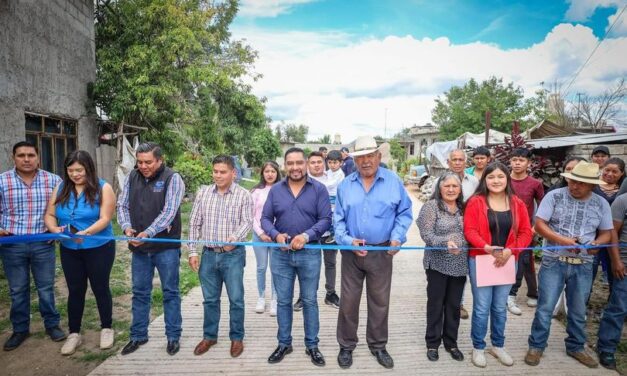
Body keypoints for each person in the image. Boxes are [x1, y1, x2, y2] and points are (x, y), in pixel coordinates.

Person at [335, 136, 413, 370]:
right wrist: (348, 240)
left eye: (371, 156)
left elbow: (405, 213)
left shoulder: (393, 181)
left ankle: (378, 345)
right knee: (348, 302)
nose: (366, 161)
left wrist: (397, 237)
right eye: (361, 157)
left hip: (382, 252)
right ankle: (346, 346)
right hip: (352, 253)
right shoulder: (345, 185)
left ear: (379, 157)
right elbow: (337, 220)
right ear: (355, 160)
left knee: (380, 301)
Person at [525, 161, 613, 369]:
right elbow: (539, 224)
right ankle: (536, 345)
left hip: (584, 263)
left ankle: (576, 346)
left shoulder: (601, 204)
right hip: (553, 260)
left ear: (592, 185)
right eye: (573, 181)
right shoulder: (554, 196)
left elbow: (607, 232)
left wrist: (597, 244)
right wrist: (562, 240)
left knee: (578, 308)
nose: (575, 186)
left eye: (581, 183)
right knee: (545, 307)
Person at [261, 147, 331, 367]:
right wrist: (275, 235)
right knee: (283, 301)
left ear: (306, 164)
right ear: (285, 165)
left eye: (299, 163)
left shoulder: (319, 189)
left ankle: (312, 345)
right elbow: (264, 219)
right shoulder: (275, 190)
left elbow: (326, 220)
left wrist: (306, 235)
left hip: (309, 253)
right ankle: (284, 343)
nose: (295, 167)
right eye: (290, 163)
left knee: (310, 301)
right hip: (281, 255)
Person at [44, 150, 116, 355]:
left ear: (88, 169)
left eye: (79, 170)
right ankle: (74, 333)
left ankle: (106, 327)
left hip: (98, 248)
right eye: (70, 170)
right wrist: (53, 229)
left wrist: (86, 232)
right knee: (75, 290)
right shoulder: (60, 188)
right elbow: (49, 214)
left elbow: (105, 218)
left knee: (100, 287)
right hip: (69, 249)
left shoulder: (104, 188)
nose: (75, 174)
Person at [117, 142, 184, 356]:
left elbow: (169, 212)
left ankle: (173, 336)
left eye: (148, 162)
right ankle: (138, 336)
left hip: (166, 247)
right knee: (139, 293)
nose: (143, 166)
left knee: (170, 292)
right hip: (139, 248)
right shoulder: (131, 177)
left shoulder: (173, 178)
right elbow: (122, 205)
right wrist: (127, 228)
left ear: (160, 160)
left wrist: (147, 233)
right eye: (139, 161)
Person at [464, 162, 533, 368]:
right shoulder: (476, 202)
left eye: (500, 177)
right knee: (482, 307)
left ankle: (498, 345)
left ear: (507, 179)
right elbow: (470, 231)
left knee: (500, 308)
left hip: (507, 260)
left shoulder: (517, 203)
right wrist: (486, 247)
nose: (496, 181)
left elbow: (526, 232)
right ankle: (478, 347)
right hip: (481, 259)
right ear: (484, 179)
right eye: (491, 177)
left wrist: (510, 251)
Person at [0, 141, 66, 351]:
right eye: (21, 155)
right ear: (14, 158)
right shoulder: (2, 181)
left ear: (38, 157)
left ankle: (52, 325)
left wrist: (55, 230)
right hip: (12, 244)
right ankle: (20, 329)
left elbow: (62, 210)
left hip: (42, 243)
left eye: (30, 155)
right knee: (18, 290)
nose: (26, 159)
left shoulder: (53, 181)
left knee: (46, 288)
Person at [188, 155, 252, 358]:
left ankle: (236, 338)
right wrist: (192, 251)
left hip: (232, 255)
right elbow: (194, 223)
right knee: (210, 299)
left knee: (236, 299)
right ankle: (210, 336)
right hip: (208, 254)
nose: (218, 175)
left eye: (222, 172)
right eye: (215, 171)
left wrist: (235, 238)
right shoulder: (203, 193)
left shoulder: (243, 195)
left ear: (233, 173)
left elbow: (248, 222)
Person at [416, 172, 467, 363]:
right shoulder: (431, 207)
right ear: (439, 188)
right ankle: (432, 343)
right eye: (447, 186)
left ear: (460, 189)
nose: (451, 189)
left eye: (455, 186)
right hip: (437, 263)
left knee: (454, 305)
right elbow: (427, 235)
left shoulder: (464, 207)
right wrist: (446, 242)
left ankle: (451, 343)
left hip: (460, 264)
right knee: (436, 304)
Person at [507, 148, 544, 315]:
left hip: (525, 230)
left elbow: (544, 207)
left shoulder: (535, 184)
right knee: (508, 260)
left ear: (529, 163)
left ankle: (524, 293)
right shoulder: (503, 180)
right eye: (514, 160)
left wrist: (535, 227)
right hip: (504, 228)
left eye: (521, 160)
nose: (517, 163)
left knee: (524, 261)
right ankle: (508, 293)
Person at [306, 151, 342, 309]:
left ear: (324, 163)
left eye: (319, 162)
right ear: (308, 164)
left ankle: (330, 293)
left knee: (330, 263)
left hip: (330, 229)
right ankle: (305, 295)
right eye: (312, 162)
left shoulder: (334, 178)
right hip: (309, 229)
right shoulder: (303, 180)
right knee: (308, 264)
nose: (316, 165)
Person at [596, 191, 627, 370]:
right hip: (625, 264)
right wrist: (616, 261)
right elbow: (611, 231)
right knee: (618, 308)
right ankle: (606, 348)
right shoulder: (622, 201)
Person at [447, 148, 479, 320]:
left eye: (461, 160)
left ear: (466, 163)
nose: (458, 163)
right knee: (446, 268)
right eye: (454, 160)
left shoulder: (473, 181)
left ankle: (458, 303)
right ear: (448, 162)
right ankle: (447, 302)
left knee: (462, 268)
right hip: (447, 231)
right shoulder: (440, 181)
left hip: (469, 230)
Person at [250, 161, 281, 316]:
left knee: (275, 268)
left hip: (276, 235)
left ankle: (275, 299)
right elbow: (251, 215)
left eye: (273, 171)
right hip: (259, 235)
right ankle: (261, 297)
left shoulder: (283, 190)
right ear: (262, 173)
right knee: (261, 267)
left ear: (277, 173)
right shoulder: (256, 191)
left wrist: (274, 233)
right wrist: (261, 233)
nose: (270, 174)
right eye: (267, 171)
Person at [591, 157, 625, 292]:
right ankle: (583, 304)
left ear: (622, 173)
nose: (610, 174)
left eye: (615, 171)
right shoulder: (592, 187)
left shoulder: (623, 191)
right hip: (595, 237)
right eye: (607, 170)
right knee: (590, 270)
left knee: (615, 270)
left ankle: (612, 304)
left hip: (616, 237)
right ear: (602, 169)